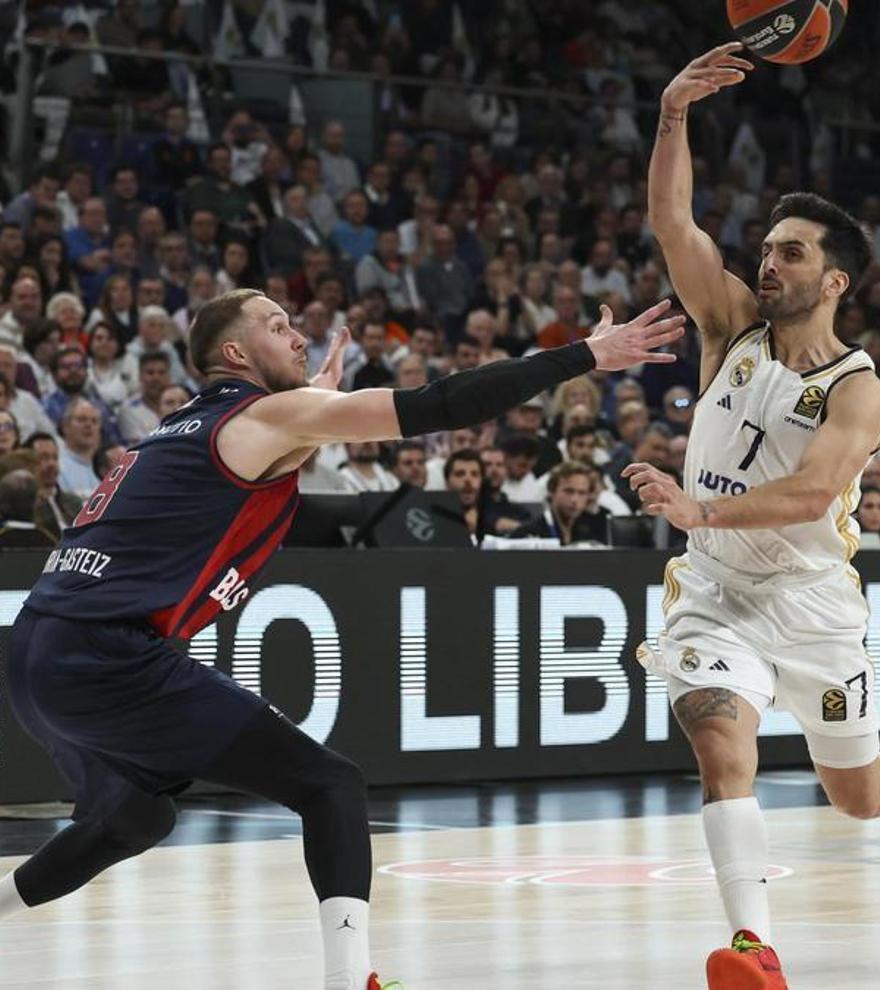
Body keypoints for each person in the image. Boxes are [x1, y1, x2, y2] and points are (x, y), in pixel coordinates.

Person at [0, 287, 682, 990]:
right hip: (103, 655)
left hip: (36, 652)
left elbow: (252, 461)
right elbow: (437, 406)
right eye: (278, 325)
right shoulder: (265, 414)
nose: (300, 335)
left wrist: (314, 416)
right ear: (236, 354)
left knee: (136, 818)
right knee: (331, 786)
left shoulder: (174, 427)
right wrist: (585, 355)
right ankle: (351, 980)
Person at [628, 42, 880, 990]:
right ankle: (753, 948)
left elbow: (816, 494)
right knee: (717, 736)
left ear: (836, 282)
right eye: (768, 248)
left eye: (792, 252)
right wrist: (673, 113)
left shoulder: (859, 388)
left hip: (815, 603)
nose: (767, 263)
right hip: (717, 592)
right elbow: (671, 220)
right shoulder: (731, 326)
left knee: (859, 801)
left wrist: (699, 504)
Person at [510, 461, 609, 545]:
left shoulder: (591, 533)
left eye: (581, 493)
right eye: (568, 491)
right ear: (552, 491)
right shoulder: (528, 534)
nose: (574, 499)